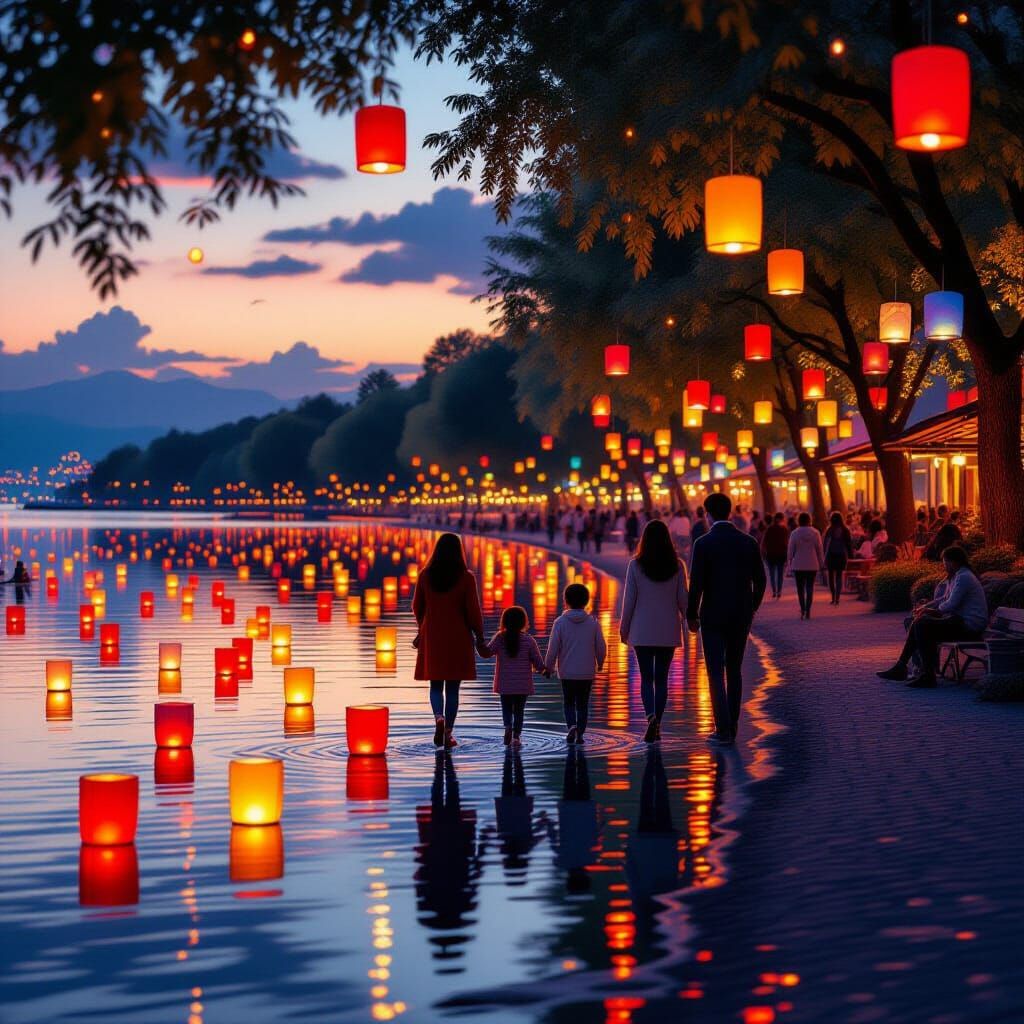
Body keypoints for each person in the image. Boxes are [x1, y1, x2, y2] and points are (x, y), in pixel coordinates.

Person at [686, 491, 766, 745]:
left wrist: (691, 614)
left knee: (714, 672)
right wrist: (752, 605)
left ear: (708, 515)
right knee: (735, 669)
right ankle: (732, 723)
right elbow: (761, 580)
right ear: (729, 512)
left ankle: (722, 729)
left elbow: (696, 583)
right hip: (740, 614)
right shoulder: (748, 542)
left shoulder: (703, 543)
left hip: (712, 615)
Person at [877, 546, 989, 688]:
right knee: (920, 623)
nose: (944, 566)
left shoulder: (964, 577)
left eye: (945, 562)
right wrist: (926, 608)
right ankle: (907, 668)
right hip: (960, 621)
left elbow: (950, 604)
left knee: (922, 624)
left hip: (969, 626)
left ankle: (924, 674)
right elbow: (944, 598)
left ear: (953, 562)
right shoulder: (958, 576)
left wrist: (929, 611)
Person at [413, 533, 486, 749]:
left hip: (433, 636)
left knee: (436, 685)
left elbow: (417, 606)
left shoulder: (425, 575)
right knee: (453, 689)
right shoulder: (466, 578)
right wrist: (479, 635)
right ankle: (448, 733)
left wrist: (423, 627)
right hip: (458, 638)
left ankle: (438, 717)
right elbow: (473, 611)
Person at [619, 519, 689, 743]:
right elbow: (683, 600)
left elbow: (629, 601)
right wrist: (693, 621)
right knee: (662, 679)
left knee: (646, 678)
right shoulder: (677, 565)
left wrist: (624, 628)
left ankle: (649, 716)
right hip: (667, 630)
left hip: (642, 630)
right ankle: (658, 721)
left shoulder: (635, 565)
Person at [545, 582, 607, 745]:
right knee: (583, 705)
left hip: (567, 673)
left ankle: (571, 726)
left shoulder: (560, 622)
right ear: (586, 601)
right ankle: (580, 734)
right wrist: (600, 663)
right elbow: (601, 647)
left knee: (569, 702)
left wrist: (548, 667)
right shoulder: (593, 622)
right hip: (586, 672)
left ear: (565, 600)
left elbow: (553, 648)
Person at [480, 605, 547, 748]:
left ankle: (508, 727)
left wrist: (478, 643)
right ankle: (516, 737)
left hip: (505, 684)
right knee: (519, 711)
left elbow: (486, 653)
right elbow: (538, 663)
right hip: (522, 686)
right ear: (524, 622)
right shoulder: (529, 640)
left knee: (506, 708)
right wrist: (545, 671)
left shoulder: (500, 638)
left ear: (504, 622)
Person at [787, 512, 825, 619]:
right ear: (809, 520)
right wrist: (821, 563)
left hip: (798, 565)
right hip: (812, 564)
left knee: (800, 588)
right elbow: (819, 550)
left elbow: (790, 549)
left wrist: (789, 561)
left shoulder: (794, 533)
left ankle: (802, 609)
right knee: (810, 587)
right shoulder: (815, 533)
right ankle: (808, 610)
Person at [822, 511, 853, 605]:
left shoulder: (829, 530)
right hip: (841, 555)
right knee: (839, 576)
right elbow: (848, 544)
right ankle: (838, 598)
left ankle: (833, 597)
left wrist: (823, 555)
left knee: (831, 577)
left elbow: (825, 544)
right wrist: (851, 555)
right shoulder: (845, 530)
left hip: (831, 555)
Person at [761, 512, 789, 599]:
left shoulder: (769, 529)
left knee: (772, 574)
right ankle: (779, 591)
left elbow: (764, 542)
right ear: (782, 519)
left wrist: (763, 553)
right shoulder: (784, 529)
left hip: (771, 554)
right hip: (781, 554)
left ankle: (774, 591)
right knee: (780, 574)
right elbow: (787, 543)